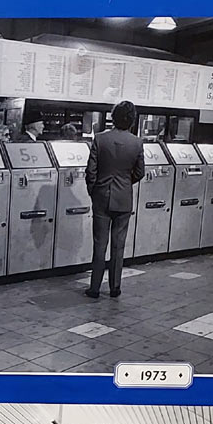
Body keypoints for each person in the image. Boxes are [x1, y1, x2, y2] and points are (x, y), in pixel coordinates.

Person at [85, 100, 145, 300]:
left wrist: (94, 190)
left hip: (101, 197)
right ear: (132, 120)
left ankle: (94, 288)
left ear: (113, 117)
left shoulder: (100, 139)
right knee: (118, 245)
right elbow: (140, 172)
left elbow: (90, 171)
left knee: (99, 244)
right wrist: (126, 183)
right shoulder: (137, 143)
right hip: (124, 199)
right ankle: (115, 288)